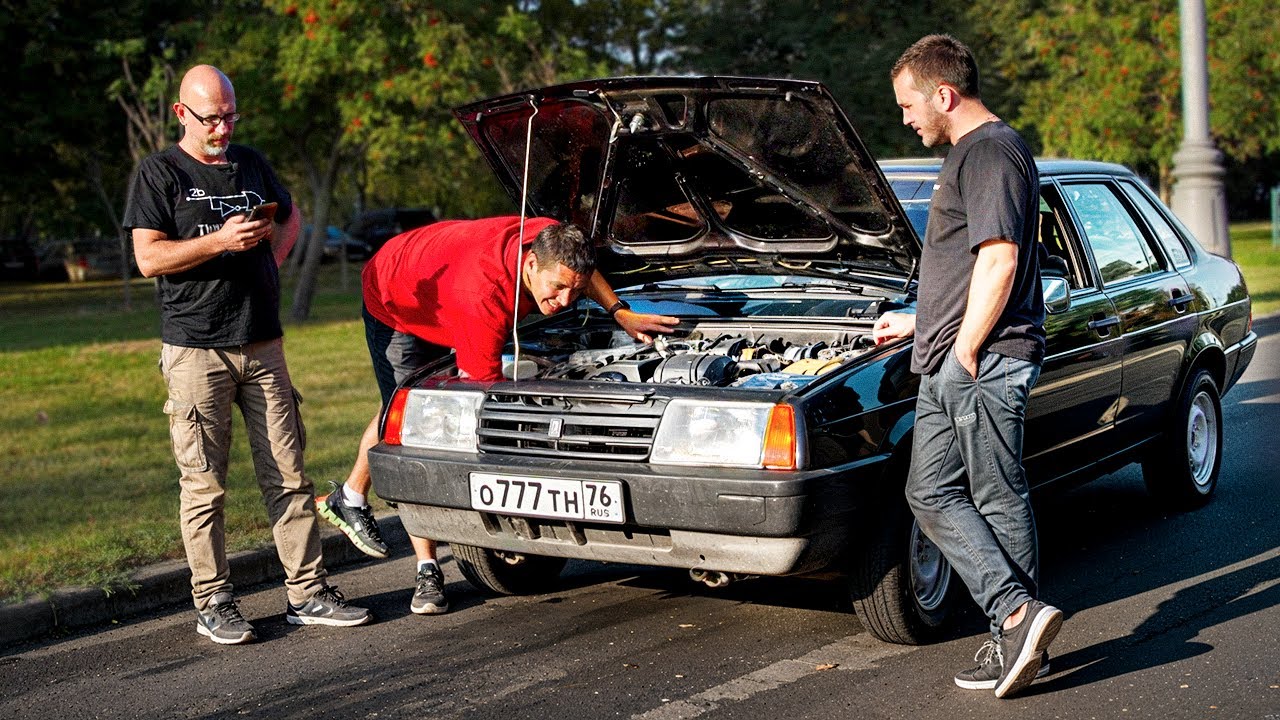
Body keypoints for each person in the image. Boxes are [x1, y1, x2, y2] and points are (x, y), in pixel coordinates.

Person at [123, 64, 371, 645]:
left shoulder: (252, 163)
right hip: (195, 349)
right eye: (211, 119)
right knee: (204, 484)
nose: (223, 129)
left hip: (263, 342)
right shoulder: (158, 173)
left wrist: (269, 259)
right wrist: (220, 242)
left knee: (288, 473)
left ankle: (307, 593)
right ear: (182, 114)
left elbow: (290, 215)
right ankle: (214, 601)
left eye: (231, 116)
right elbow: (149, 259)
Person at [318, 216, 679, 614]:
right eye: (556, 289)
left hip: (445, 279)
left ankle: (350, 494)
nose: (563, 302)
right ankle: (426, 568)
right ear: (530, 265)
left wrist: (617, 311)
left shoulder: (553, 239)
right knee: (418, 421)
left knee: (416, 407)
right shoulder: (483, 297)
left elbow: (583, 274)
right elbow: (482, 405)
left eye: (573, 291)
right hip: (397, 294)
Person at [873, 35, 1061, 698]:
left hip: (981, 361)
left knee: (994, 496)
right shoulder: (975, 154)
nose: (904, 117)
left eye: (908, 104)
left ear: (943, 95)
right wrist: (922, 322)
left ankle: (1013, 621)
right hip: (957, 353)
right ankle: (1021, 623)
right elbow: (963, 269)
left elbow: (1001, 258)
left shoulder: (989, 152)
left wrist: (964, 350)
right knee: (931, 492)